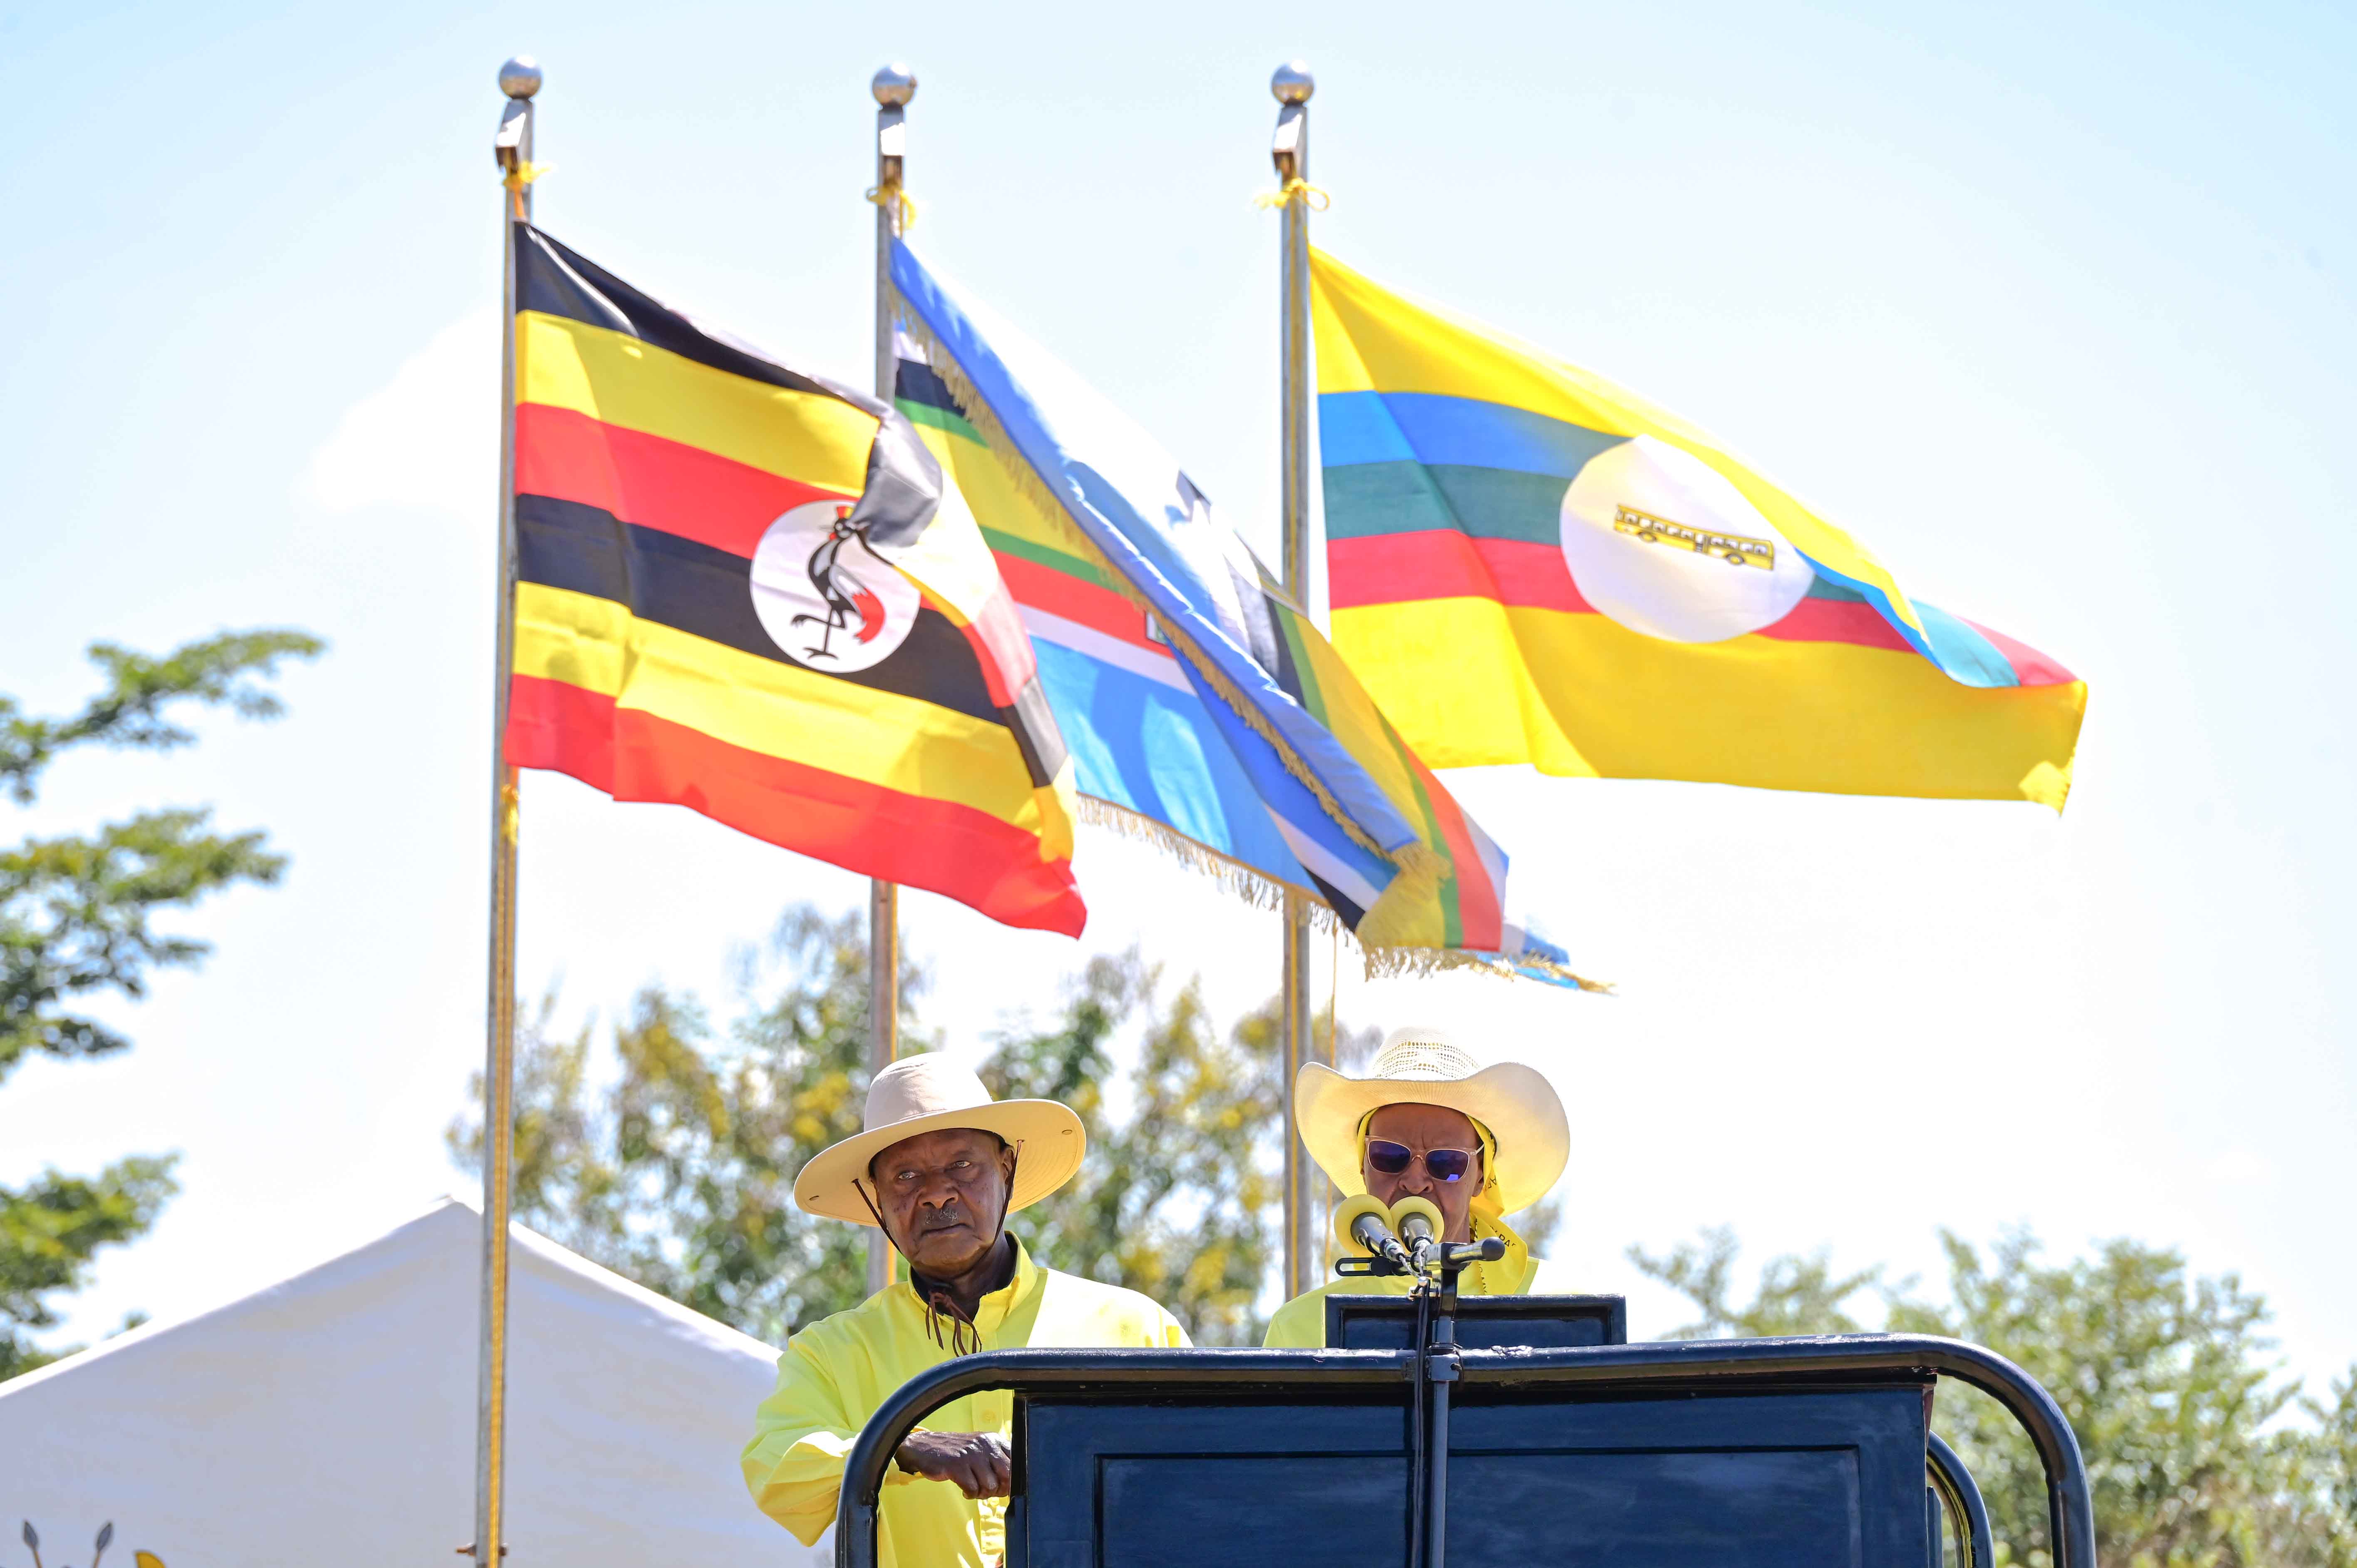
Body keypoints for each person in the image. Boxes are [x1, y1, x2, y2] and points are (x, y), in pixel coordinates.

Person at [741, 1054, 1188, 1568]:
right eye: (905, 1175)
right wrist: (903, 1445)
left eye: (961, 1165)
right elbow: (775, 1470)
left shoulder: (1136, 1329)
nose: (935, 1194)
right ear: (876, 1202)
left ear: (1006, 1168)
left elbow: (1204, 1489)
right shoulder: (831, 1353)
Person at [1263, 1025, 1571, 1347]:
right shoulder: (1300, 1328)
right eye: (1389, 1155)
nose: (1414, 1181)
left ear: (1480, 1175)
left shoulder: (1564, 1307)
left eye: (1446, 1162)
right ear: (1363, 1166)